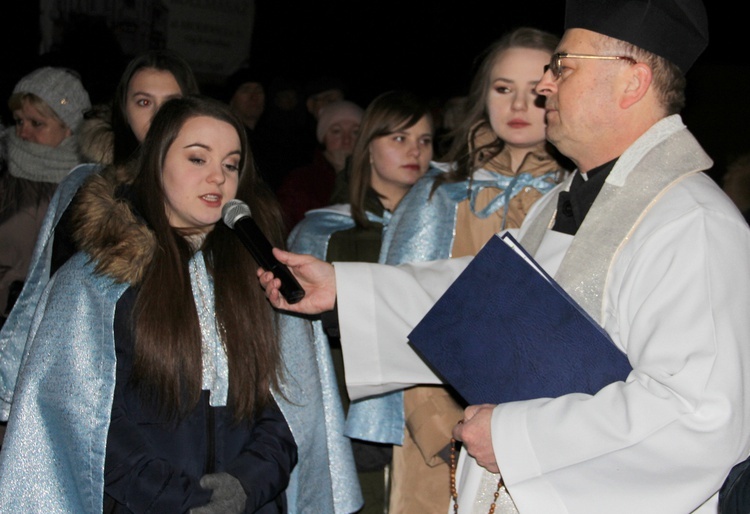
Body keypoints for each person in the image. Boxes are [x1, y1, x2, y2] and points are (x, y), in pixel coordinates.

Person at [259, 0, 750, 512]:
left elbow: (699, 417)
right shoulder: (567, 199)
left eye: (562, 66)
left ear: (632, 82)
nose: (544, 86)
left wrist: (515, 437)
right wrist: (345, 289)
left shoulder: (690, 222)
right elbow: (484, 300)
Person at [0, 95, 362, 514]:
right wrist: (177, 499)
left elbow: (289, 408)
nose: (218, 178)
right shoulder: (95, 279)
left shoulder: (259, 273)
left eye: (230, 164)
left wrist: (245, 487)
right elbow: (83, 419)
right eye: (197, 159)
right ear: (155, 163)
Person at [365, 26, 567, 513]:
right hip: (437, 442)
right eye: (503, 89)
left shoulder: (578, 198)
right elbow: (396, 318)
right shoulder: (436, 196)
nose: (518, 106)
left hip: (547, 439)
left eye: (535, 90)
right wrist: (441, 428)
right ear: (484, 95)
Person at [287, 90, 434, 513]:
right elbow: (303, 352)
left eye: (425, 140)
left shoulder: (449, 226)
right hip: (351, 425)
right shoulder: (322, 234)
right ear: (367, 147)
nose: (415, 151)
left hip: (434, 428)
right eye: (399, 139)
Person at [0, 66, 91, 325]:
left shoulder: (92, 186)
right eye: (19, 121)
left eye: (37, 123)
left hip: (58, 327)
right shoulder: (4, 174)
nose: (23, 132)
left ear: (69, 128)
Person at [276, 100, 364, 233]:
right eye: (336, 131)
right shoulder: (300, 181)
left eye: (355, 132)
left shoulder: (379, 178)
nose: (346, 140)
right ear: (323, 138)